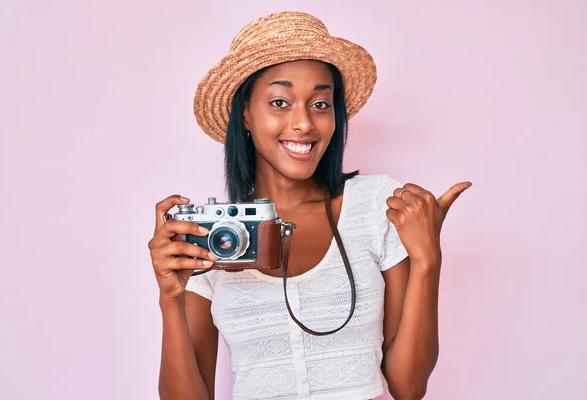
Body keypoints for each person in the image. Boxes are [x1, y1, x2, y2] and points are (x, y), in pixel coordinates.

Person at [148, 11, 471, 400]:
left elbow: (408, 386)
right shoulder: (215, 236)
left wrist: (427, 260)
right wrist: (170, 300)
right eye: (280, 102)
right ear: (246, 114)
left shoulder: (377, 206)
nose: (303, 123)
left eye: (320, 104)